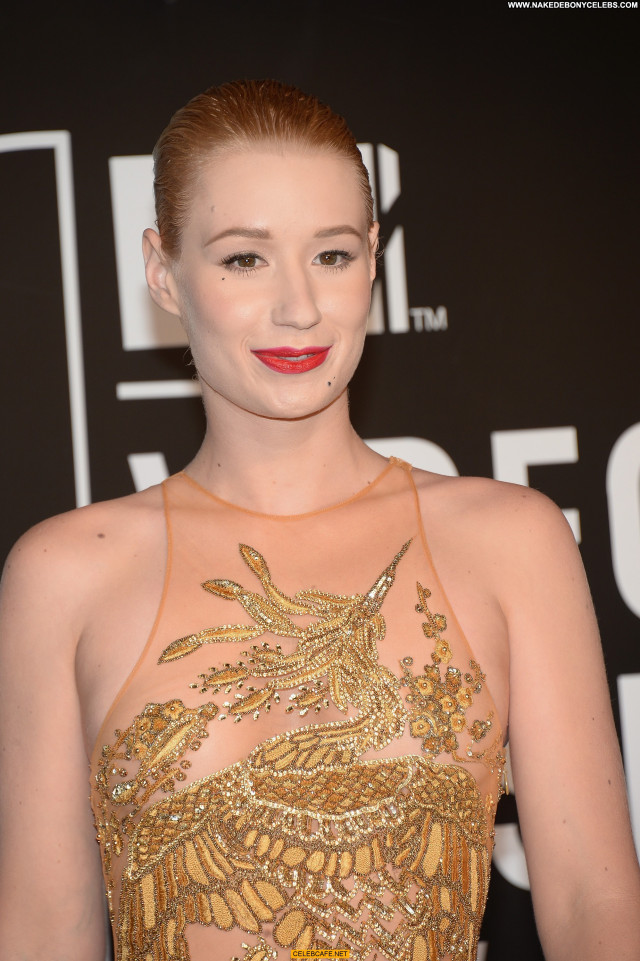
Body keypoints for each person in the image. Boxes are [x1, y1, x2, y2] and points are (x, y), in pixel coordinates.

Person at [0, 79, 638, 961]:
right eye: (244, 259)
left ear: (374, 258)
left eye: (332, 254)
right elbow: (42, 934)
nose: (298, 307)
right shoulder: (66, 574)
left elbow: (594, 906)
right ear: (162, 271)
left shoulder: (512, 542)